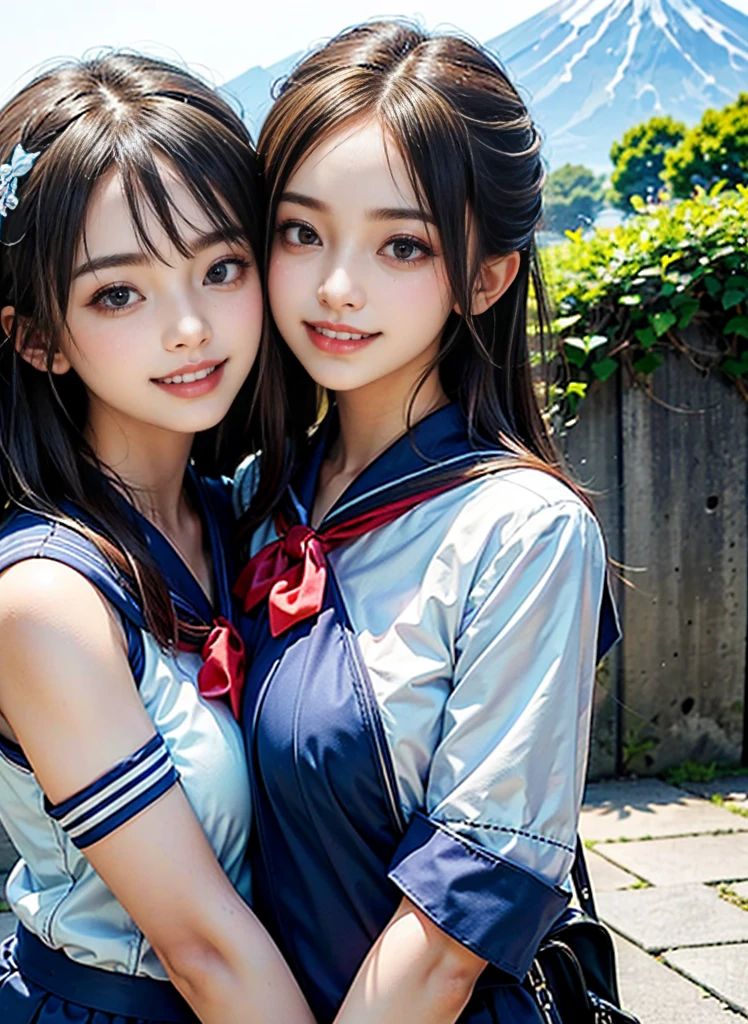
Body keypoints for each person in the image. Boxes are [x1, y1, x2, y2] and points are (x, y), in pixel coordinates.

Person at [0, 54, 313, 1024]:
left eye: (220, 268)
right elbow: (201, 945)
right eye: (120, 293)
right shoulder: (45, 601)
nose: (189, 326)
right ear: (36, 336)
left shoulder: (237, 511)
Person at [232, 21, 621, 1024]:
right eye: (300, 231)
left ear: (486, 275)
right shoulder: (251, 498)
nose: (335, 286)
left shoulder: (522, 535)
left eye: (401, 244)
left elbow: (464, 907)